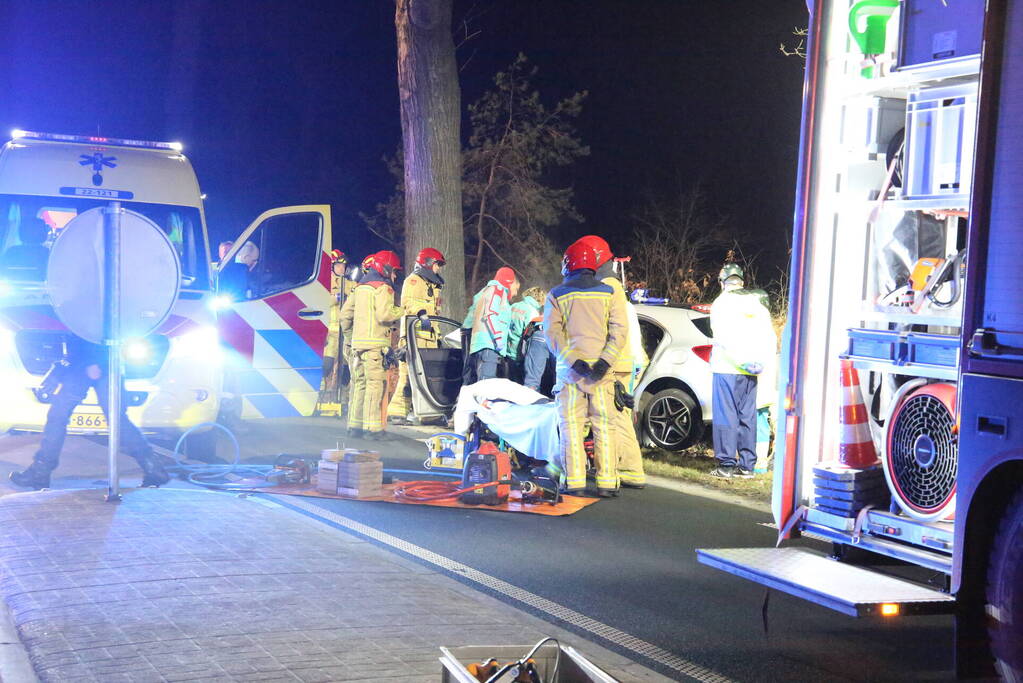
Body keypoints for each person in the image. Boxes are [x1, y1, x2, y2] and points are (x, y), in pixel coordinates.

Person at [9, 335, 170, 490]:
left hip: (89, 360)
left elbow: (94, 324)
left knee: (59, 416)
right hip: (93, 360)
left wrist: (94, 361)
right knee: (113, 418)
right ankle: (153, 467)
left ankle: (40, 471)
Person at [545, 236, 627, 497]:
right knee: (605, 427)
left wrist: (574, 360)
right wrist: (604, 362)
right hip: (601, 376)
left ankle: (575, 482)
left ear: (567, 265)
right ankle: (606, 483)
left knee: (571, 427)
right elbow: (619, 332)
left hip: (570, 375)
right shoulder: (610, 293)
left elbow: (552, 335)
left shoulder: (556, 294)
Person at [709, 263, 775, 478]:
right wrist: (759, 362)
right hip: (752, 370)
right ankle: (747, 465)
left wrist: (740, 361)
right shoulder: (755, 303)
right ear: (742, 281)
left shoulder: (721, 304)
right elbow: (768, 335)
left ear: (722, 281)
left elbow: (722, 337)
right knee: (748, 416)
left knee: (726, 416)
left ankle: (726, 464)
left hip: (727, 367)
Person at [596, 250, 650, 489]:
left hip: (616, 364)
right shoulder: (621, 297)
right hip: (627, 362)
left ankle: (625, 469)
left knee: (614, 418)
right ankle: (628, 469)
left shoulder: (607, 290)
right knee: (620, 416)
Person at [339, 250, 403, 441]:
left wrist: (351, 339)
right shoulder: (383, 288)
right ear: (385, 268)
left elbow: (344, 317)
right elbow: (385, 315)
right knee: (375, 385)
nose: (394, 276)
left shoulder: (359, 288)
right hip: (375, 347)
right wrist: (403, 311)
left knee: (359, 384)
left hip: (357, 347)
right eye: (393, 271)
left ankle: (354, 426)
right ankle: (372, 429)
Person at [387, 247, 446, 425]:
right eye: (437, 265)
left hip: (429, 338)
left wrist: (438, 337)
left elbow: (434, 314)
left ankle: (428, 414)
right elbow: (408, 303)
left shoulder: (432, 286)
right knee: (407, 375)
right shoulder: (413, 281)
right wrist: (422, 312)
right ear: (427, 263)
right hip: (414, 338)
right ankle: (397, 413)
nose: (438, 269)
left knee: (428, 378)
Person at [463, 267, 519, 382]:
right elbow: (490, 314)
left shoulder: (485, 291)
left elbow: (471, 318)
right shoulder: (497, 290)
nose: (516, 293)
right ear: (510, 282)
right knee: (486, 384)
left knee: (477, 381)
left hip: (482, 343)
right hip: (489, 344)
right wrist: (498, 337)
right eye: (516, 288)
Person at [508, 286, 549, 392]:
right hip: (519, 352)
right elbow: (529, 335)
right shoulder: (532, 312)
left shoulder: (514, 306)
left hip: (508, 350)